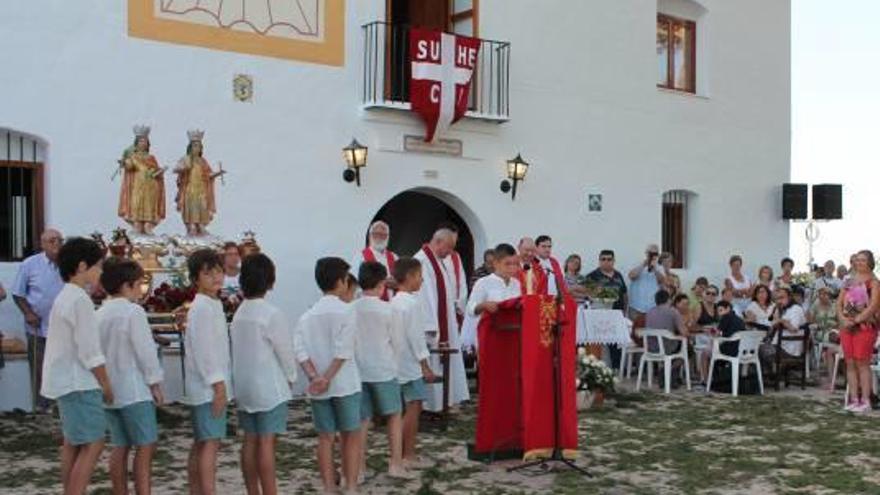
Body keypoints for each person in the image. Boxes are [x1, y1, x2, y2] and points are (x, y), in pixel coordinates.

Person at [40, 237, 111, 495]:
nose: (100, 272)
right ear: (82, 266)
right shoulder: (79, 299)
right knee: (93, 442)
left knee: (73, 442)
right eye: (98, 266)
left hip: (66, 381)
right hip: (79, 382)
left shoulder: (65, 296)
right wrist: (105, 383)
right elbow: (90, 350)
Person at [293, 257, 362, 494]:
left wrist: (315, 377)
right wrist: (327, 377)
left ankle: (327, 487)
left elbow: (300, 351)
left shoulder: (307, 316)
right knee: (350, 435)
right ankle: (350, 485)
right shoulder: (347, 311)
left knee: (325, 437)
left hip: (318, 387)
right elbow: (344, 350)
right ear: (342, 281)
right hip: (344, 384)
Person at [231, 253, 299, 495]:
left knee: (250, 440)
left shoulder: (239, 314)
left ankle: (253, 491)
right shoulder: (271, 314)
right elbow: (285, 351)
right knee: (267, 442)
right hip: (269, 386)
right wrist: (291, 377)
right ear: (270, 280)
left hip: (245, 386)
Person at [97, 258, 164, 495]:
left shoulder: (100, 313)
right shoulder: (133, 312)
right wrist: (154, 382)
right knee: (146, 445)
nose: (140, 289)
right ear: (127, 285)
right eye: (138, 284)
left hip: (110, 389)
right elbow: (144, 351)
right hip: (134, 389)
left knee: (120, 445)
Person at [352, 261, 408, 479]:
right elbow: (398, 341)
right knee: (394, 415)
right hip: (384, 368)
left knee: (362, 420)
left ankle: (359, 467)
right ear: (382, 283)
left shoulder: (351, 308)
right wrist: (394, 363)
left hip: (358, 369)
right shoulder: (389, 309)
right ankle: (395, 464)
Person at [182, 249, 232, 495]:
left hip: (209, 385)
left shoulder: (212, 304)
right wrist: (218, 386)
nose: (216, 277)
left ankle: (197, 490)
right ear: (195, 278)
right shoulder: (201, 308)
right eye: (208, 273)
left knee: (204, 441)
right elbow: (205, 351)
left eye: (219, 271)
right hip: (208, 388)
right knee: (209, 443)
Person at [414, 229, 469, 413]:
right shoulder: (422, 261)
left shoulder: (437, 261)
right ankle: (433, 404)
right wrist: (430, 325)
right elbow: (425, 297)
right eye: (450, 247)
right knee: (435, 362)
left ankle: (445, 400)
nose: (451, 252)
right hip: (432, 325)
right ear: (438, 241)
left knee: (446, 361)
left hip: (445, 320)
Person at [390, 257, 437, 469]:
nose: (422, 280)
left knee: (405, 408)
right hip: (410, 363)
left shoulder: (394, 302)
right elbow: (415, 337)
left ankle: (401, 453)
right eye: (419, 276)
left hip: (396, 362)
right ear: (409, 277)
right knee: (414, 407)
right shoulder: (411, 303)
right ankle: (407, 453)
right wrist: (425, 365)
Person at [11, 228, 64, 413]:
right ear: (42, 244)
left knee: (61, 366)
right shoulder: (30, 264)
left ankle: (60, 406)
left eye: (59, 240)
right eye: (52, 240)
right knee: (40, 366)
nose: (56, 244)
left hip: (63, 327)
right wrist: (28, 313)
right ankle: (42, 407)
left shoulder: (68, 264)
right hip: (38, 326)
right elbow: (17, 293)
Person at [837, 250, 880, 412]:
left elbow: (874, 305)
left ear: (870, 262)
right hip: (846, 326)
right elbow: (839, 302)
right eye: (857, 260)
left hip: (865, 327)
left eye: (863, 260)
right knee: (850, 363)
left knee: (862, 363)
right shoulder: (848, 280)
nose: (859, 263)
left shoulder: (874, 282)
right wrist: (842, 318)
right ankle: (854, 399)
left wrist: (856, 320)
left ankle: (866, 400)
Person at [461, 244, 523, 350]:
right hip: (489, 336)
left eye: (515, 264)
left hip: (511, 335)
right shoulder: (483, 283)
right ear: (496, 263)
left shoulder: (516, 284)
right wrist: (483, 305)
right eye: (507, 264)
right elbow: (470, 309)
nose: (512, 268)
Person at [174, 130, 225, 237]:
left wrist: (217, 173)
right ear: (190, 147)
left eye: (199, 146)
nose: (197, 148)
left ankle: (201, 225)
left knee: (202, 206)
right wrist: (184, 168)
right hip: (190, 187)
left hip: (201, 188)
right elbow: (176, 169)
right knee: (192, 206)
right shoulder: (186, 159)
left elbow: (208, 175)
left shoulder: (203, 161)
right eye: (194, 146)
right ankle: (192, 225)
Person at [117, 126, 166, 235]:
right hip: (137, 184)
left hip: (150, 186)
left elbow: (155, 171)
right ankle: (137, 224)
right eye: (140, 141)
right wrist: (124, 162)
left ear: (148, 144)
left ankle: (148, 225)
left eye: (145, 141)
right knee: (136, 202)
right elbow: (129, 166)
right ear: (136, 143)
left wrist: (159, 172)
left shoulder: (151, 158)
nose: (143, 143)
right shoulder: (133, 156)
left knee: (149, 203)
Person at [759, 288, 807, 377]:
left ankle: (769, 375)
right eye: (777, 299)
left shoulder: (796, 309)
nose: (779, 301)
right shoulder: (785, 310)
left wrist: (780, 320)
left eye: (782, 298)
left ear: (789, 297)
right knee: (758, 346)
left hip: (789, 350)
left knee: (758, 349)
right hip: (782, 346)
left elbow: (793, 328)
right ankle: (770, 375)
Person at [645, 290, 688, 387]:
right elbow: (684, 332)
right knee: (688, 350)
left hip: (650, 348)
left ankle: (665, 373)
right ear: (668, 300)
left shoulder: (649, 312)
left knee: (676, 346)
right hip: (667, 348)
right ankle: (669, 373)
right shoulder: (673, 311)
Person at [699, 300, 745, 384]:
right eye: (718, 311)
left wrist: (710, 330)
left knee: (704, 354)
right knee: (711, 351)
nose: (720, 313)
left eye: (721, 310)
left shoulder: (726, 317)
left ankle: (706, 380)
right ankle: (713, 378)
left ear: (728, 308)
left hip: (729, 350)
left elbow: (717, 334)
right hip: (741, 349)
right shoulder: (739, 319)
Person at [355, 221, 399, 300]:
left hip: (392, 305)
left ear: (388, 237)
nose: (379, 237)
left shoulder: (394, 257)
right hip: (370, 303)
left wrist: (397, 283)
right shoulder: (361, 256)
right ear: (370, 235)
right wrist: (383, 282)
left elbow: (402, 280)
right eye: (376, 234)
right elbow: (355, 282)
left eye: (383, 235)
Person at [808, 286, 839, 383]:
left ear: (829, 295)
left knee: (834, 333)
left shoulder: (835, 305)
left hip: (834, 329)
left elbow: (840, 320)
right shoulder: (815, 305)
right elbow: (810, 319)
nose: (822, 296)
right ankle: (839, 341)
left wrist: (835, 327)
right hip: (821, 331)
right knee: (832, 336)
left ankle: (839, 342)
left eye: (825, 294)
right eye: (820, 294)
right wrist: (819, 325)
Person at [628, 244, 665, 324]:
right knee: (634, 332)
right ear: (646, 253)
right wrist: (643, 265)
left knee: (651, 332)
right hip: (636, 306)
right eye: (651, 253)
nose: (653, 256)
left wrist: (654, 268)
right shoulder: (637, 263)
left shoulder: (659, 267)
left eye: (655, 254)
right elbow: (631, 276)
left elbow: (662, 280)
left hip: (653, 306)